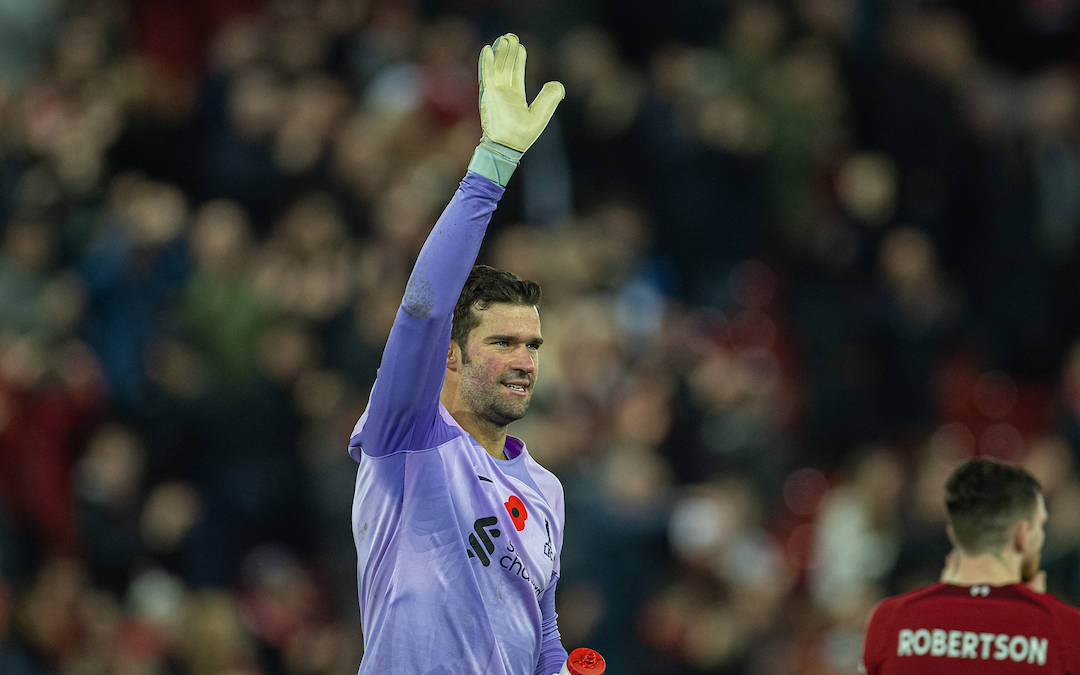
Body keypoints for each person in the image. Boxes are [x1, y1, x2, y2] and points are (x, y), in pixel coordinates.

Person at [347, 33, 570, 674]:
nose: (526, 360)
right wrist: (492, 166)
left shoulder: (547, 492)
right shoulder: (408, 438)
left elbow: (541, 633)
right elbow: (421, 308)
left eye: (533, 345)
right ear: (450, 354)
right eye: (502, 342)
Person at [860, 457, 1080, 674]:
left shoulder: (890, 619)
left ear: (954, 533)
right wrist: (1042, 613)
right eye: (1040, 526)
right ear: (1021, 536)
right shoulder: (1067, 629)